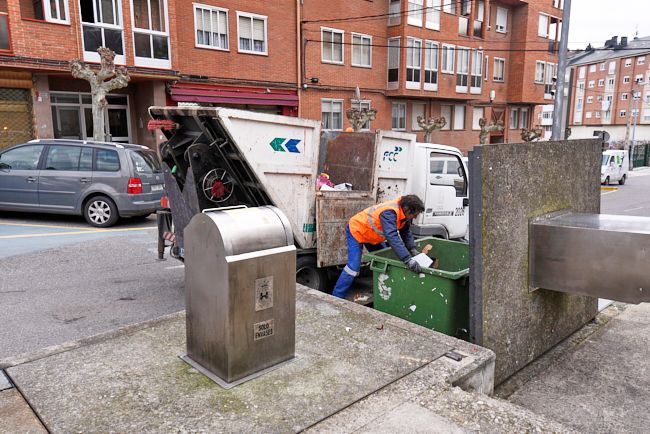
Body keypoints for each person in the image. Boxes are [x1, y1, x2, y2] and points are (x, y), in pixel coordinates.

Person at [332, 195, 425, 299]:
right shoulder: (390, 212)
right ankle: (336, 297)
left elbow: (406, 232)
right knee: (353, 268)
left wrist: (412, 249)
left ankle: (381, 291)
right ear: (407, 209)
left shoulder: (403, 212)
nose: (415, 217)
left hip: (371, 235)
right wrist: (407, 260)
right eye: (415, 214)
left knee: (384, 261)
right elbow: (392, 237)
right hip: (358, 230)